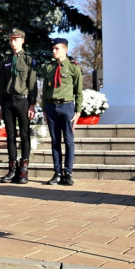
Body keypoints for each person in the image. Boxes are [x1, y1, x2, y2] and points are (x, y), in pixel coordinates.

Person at [0, 29, 38, 184]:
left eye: (16, 39)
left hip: (23, 101)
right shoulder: (6, 59)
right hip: (7, 101)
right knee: (11, 136)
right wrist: (1, 105)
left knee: (25, 135)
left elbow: (32, 83)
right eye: (11, 39)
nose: (13, 42)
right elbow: (1, 84)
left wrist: (32, 104)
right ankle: (12, 168)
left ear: (22, 41)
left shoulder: (28, 59)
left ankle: (24, 170)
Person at [42, 37, 83, 186]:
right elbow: (45, 91)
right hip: (51, 107)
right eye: (52, 49)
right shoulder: (48, 67)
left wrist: (77, 112)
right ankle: (57, 172)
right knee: (55, 141)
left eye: (56, 48)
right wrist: (44, 110)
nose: (53, 51)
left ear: (65, 49)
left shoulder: (73, 67)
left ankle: (68, 173)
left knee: (68, 140)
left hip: (67, 107)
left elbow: (79, 92)